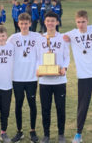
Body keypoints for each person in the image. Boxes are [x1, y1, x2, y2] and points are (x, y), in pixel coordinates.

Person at [0, 13, 40, 143]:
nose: (24, 26)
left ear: (30, 23)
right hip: (16, 79)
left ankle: (33, 131)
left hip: (32, 78)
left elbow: (49, 38)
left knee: (32, 105)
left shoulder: (37, 36)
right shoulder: (12, 38)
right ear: (18, 24)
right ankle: (19, 131)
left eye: (26, 23)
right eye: (22, 23)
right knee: (18, 105)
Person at [64, 10, 92, 143]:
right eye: (78, 22)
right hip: (83, 77)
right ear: (75, 22)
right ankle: (78, 134)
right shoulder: (71, 34)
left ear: (87, 21)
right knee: (82, 106)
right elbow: (52, 36)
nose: (81, 24)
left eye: (83, 21)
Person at [37, 11, 70, 143]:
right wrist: (38, 70)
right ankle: (46, 135)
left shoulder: (62, 38)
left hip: (59, 80)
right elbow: (36, 57)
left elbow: (67, 56)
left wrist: (64, 68)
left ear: (57, 22)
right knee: (45, 108)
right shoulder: (40, 38)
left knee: (60, 108)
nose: (50, 23)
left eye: (53, 21)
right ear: (44, 22)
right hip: (44, 80)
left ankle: (61, 134)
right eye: (48, 21)